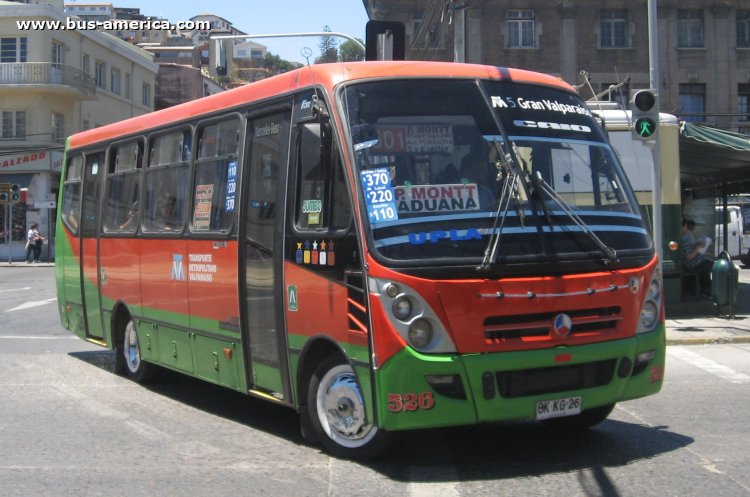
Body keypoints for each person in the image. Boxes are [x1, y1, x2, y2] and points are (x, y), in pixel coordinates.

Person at [681, 218, 713, 296]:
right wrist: (698, 248)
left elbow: (689, 249)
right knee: (710, 265)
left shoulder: (685, 236)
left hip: (694, 262)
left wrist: (696, 245)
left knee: (708, 263)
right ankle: (706, 289)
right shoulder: (684, 238)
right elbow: (688, 257)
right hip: (690, 264)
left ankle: (705, 288)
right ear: (685, 226)